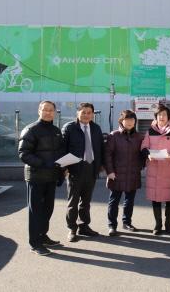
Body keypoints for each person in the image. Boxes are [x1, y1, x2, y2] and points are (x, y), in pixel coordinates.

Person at [18, 100, 64, 256]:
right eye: (45, 109)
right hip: (35, 176)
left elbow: (59, 153)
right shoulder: (31, 129)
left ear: (55, 112)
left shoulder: (56, 131)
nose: (48, 112)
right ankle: (35, 243)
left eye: (51, 110)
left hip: (51, 177)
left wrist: (60, 171)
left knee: (47, 209)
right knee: (35, 211)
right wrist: (43, 164)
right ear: (39, 111)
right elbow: (23, 153)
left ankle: (43, 236)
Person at [62, 102, 105, 242]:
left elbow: (101, 148)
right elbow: (62, 149)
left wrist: (101, 165)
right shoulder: (69, 128)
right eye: (83, 112)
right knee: (73, 201)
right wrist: (64, 168)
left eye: (89, 113)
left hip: (91, 168)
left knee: (86, 201)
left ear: (92, 114)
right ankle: (72, 229)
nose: (86, 115)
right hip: (74, 169)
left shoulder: (96, 128)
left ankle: (84, 226)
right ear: (78, 113)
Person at [141, 103, 170, 235]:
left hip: (169, 169)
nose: (162, 117)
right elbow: (143, 147)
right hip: (154, 169)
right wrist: (148, 155)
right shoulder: (150, 131)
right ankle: (158, 224)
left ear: (168, 117)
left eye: (164, 115)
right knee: (155, 198)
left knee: (169, 197)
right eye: (159, 115)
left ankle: (168, 223)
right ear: (156, 117)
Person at [104, 110, 144, 236]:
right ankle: (112, 225)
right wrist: (110, 171)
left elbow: (142, 154)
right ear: (121, 121)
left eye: (132, 120)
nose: (130, 122)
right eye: (127, 119)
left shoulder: (139, 137)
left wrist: (140, 166)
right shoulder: (114, 135)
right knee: (114, 201)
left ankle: (127, 222)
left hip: (133, 173)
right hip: (116, 174)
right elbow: (107, 155)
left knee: (129, 201)